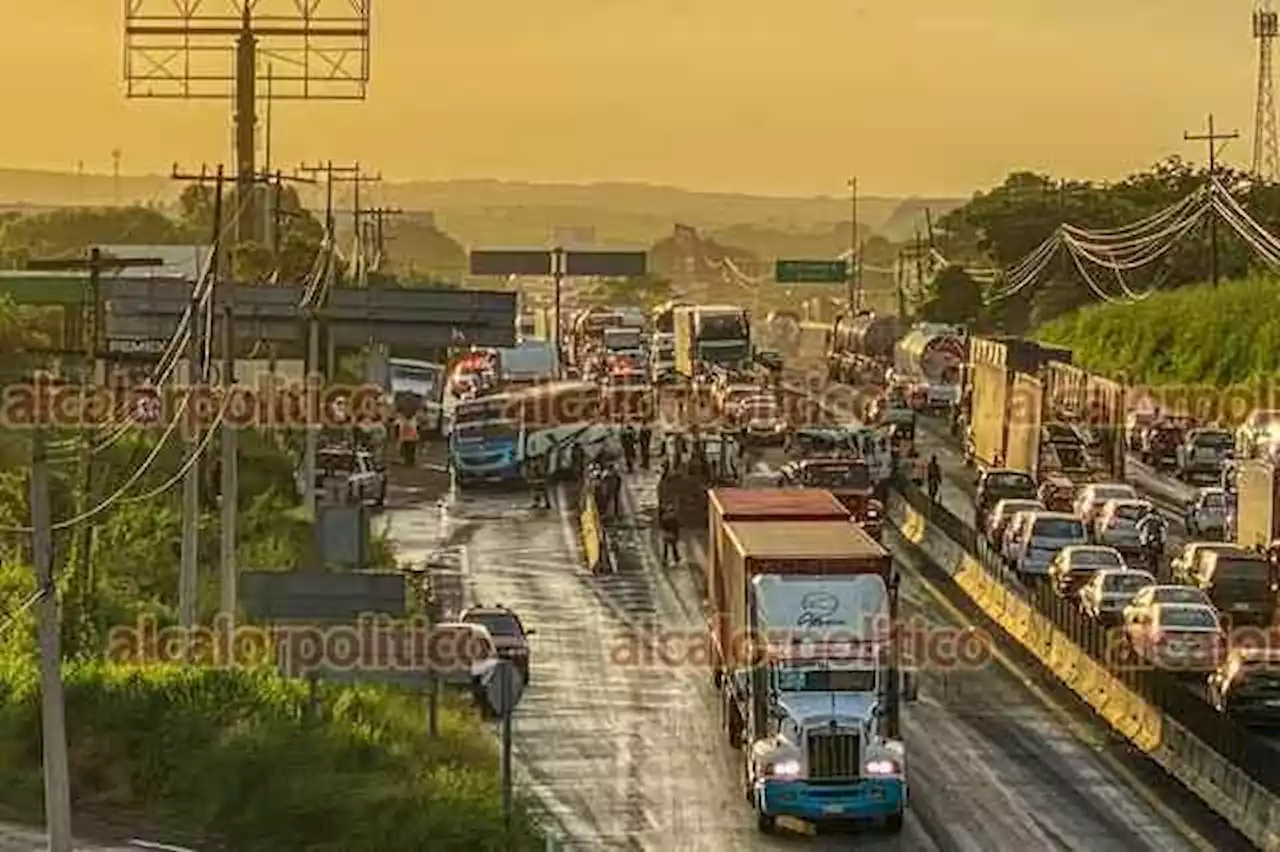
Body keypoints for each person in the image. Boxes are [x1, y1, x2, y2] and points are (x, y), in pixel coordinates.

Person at [1136, 507, 1168, 575]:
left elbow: (1137, 527)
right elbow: (1138, 527)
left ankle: (1153, 569)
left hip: (1154, 542)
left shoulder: (1159, 522)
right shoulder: (1148, 521)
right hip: (1148, 542)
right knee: (1148, 556)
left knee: (1154, 557)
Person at [659, 500, 680, 566]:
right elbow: (676, 527)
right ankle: (675, 558)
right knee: (672, 547)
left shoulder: (665, 517)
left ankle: (666, 559)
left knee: (667, 547)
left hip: (667, 534)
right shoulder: (673, 518)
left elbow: (662, 525)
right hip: (670, 534)